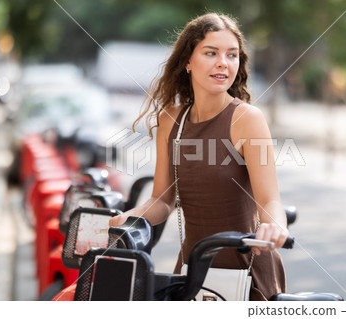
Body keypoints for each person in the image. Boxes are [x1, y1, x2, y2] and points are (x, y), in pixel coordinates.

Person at [109, 12, 289, 301]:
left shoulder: (247, 119)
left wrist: (275, 226)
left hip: (248, 274)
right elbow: (162, 200)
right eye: (211, 53)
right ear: (188, 62)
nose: (223, 62)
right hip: (192, 272)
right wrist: (129, 217)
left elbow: (270, 200)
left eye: (232, 55)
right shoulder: (171, 119)